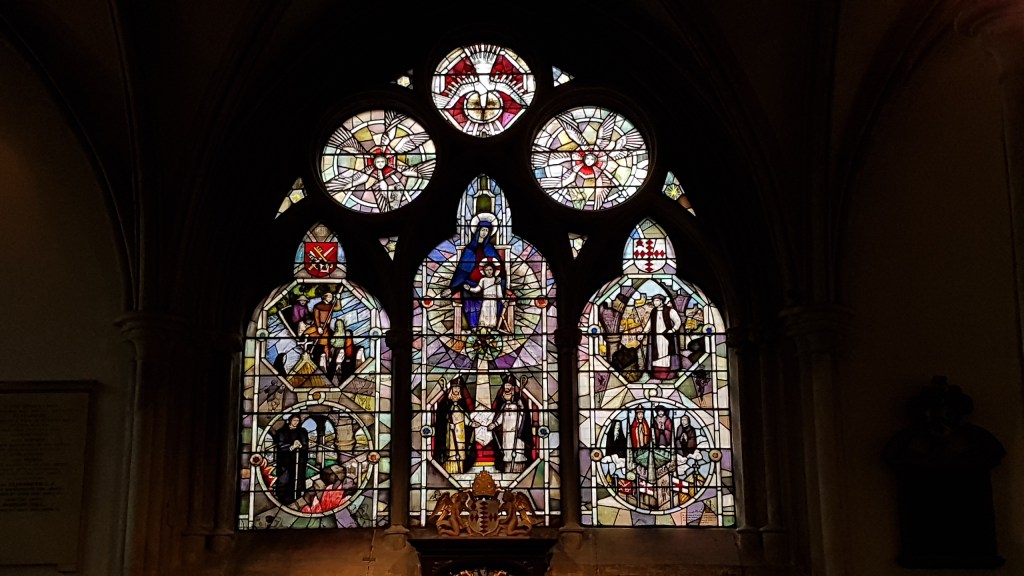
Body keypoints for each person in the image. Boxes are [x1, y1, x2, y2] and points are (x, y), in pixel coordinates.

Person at [449, 221, 505, 329]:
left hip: (489, 285)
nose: (484, 233)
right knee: (467, 294)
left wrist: (498, 278)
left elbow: (499, 268)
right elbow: (462, 270)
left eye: (487, 231)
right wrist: (452, 289)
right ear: (478, 230)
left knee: (491, 300)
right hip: (471, 283)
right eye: (482, 230)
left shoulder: (490, 248)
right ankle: (474, 327)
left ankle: (489, 327)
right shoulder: (469, 249)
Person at [488, 374, 534, 473]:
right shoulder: (503, 404)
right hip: (506, 433)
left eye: (509, 385)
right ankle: (508, 470)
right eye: (506, 385)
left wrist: (522, 408)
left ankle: (518, 471)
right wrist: (494, 424)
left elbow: (524, 417)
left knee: (518, 453)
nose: (507, 387)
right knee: (507, 453)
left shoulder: (519, 401)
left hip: (517, 434)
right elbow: (500, 417)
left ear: (513, 387)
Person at [433, 377, 477, 473]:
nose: (457, 390)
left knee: (461, 453)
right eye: (455, 387)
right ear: (451, 389)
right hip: (450, 435)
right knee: (451, 454)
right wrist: (448, 424)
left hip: (461, 434)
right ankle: (450, 471)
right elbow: (441, 420)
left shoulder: (462, 405)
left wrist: (471, 423)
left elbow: (465, 418)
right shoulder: (445, 404)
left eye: (458, 388)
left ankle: (460, 470)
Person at [640, 294, 683, 380]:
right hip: (656, 337)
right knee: (656, 353)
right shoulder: (654, 311)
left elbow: (678, 321)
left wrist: (673, 330)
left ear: (661, 301)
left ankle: (668, 372)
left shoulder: (670, 310)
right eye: (654, 301)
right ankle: (657, 373)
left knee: (666, 352)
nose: (655, 302)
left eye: (657, 301)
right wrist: (643, 332)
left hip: (666, 336)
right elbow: (649, 323)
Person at [273, 414, 309, 505]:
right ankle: (283, 499)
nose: (296, 422)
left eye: (297, 421)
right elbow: (280, 445)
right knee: (284, 479)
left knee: (298, 479)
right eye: (294, 420)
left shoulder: (302, 431)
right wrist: (292, 446)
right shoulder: (281, 432)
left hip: (299, 460)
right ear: (289, 421)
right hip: (285, 461)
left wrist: (300, 445)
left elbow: (305, 444)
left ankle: (298, 498)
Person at [462, 262, 503, 329]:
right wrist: (469, 289)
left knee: (492, 314)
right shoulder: (483, 280)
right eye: (486, 270)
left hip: (493, 301)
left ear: (493, 270)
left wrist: (503, 301)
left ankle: (491, 328)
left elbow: (499, 293)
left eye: (490, 269)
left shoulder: (496, 280)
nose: (489, 271)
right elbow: (477, 289)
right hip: (485, 300)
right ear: (484, 271)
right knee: (484, 313)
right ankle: (483, 328)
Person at [304, 291, 338, 369]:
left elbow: (338, 308)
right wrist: (319, 327)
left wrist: (338, 299)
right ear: (324, 297)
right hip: (318, 327)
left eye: (331, 297)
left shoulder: (331, 306)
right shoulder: (318, 306)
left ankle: (326, 360)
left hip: (326, 328)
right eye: (329, 296)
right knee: (311, 338)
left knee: (325, 343)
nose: (330, 298)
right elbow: (316, 317)